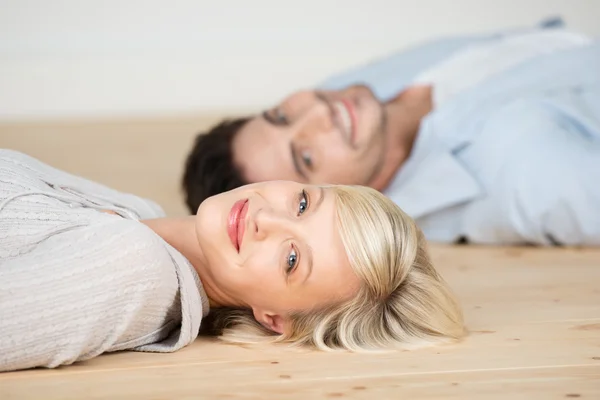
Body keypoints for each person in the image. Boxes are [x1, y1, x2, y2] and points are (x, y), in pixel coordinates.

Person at [0, 149, 464, 372]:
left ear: (273, 319)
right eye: (302, 205)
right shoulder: (141, 213)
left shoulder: (131, 269)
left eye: (291, 259)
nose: (268, 219)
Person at [183, 20, 600, 246]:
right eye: (306, 158)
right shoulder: (524, 180)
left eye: (280, 114)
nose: (317, 113)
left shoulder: (354, 96)